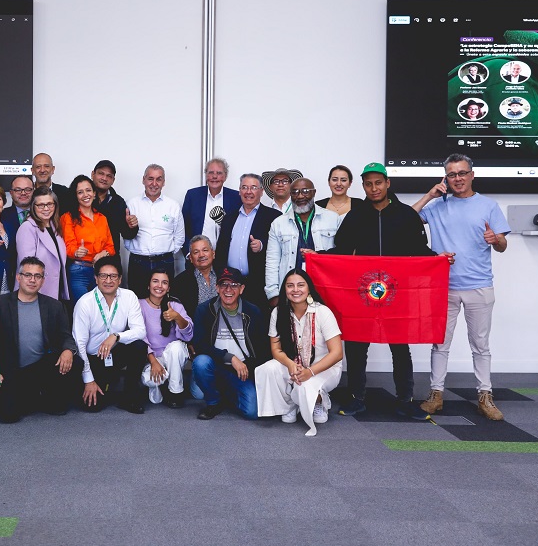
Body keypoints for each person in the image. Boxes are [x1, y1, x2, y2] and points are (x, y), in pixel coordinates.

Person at [329, 162, 446, 420]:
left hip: (397, 293)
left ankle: (405, 400)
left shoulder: (405, 214)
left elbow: (420, 250)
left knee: (400, 347)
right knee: (357, 346)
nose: (373, 188)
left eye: (378, 183)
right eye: (368, 184)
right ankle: (357, 398)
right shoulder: (356, 215)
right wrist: (317, 257)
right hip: (363, 292)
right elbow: (342, 250)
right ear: (363, 186)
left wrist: (439, 259)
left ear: (387, 183)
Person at [412, 154, 510, 421]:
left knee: (480, 344)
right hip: (444, 286)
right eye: (452, 175)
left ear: (472, 175)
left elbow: (502, 246)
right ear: (446, 178)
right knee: (440, 343)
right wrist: (430, 194)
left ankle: (485, 396)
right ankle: (436, 395)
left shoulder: (488, 205)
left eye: (462, 173)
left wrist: (496, 239)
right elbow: (407, 219)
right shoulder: (437, 206)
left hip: (479, 285)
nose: (458, 179)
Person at [254, 269, 343, 436]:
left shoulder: (322, 312)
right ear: (284, 290)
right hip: (296, 365)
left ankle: (320, 400)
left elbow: (337, 353)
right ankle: (290, 404)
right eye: (290, 286)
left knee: (307, 387)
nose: (295, 290)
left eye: (301, 285)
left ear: (309, 288)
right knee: (268, 369)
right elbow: (276, 350)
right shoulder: (278, 312)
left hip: (324, 368)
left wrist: (310, 372)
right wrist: (290, 365)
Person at [0, 257, 80, 423]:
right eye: (28, 275)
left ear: (43, 280)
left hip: (41, 367)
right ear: (19, 277)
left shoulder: (54, 306)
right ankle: (30, 396)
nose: (32, 280)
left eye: (38, 276)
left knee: (75, 363)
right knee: (8, 415)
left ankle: (45, 395)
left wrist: (68, 350)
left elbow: (65, 336)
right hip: (11, 370)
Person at [191, 267, 270, 420]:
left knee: (252, 412)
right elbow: (200, 344)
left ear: (241, 289)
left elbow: (263, 348)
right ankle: (213, 402)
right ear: (217, 288)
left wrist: (249, 368)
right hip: (214, 364)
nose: (228, 290)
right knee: (200, 364)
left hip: (243, 369)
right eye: (223, 285)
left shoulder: (253, 312)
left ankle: (225, 393)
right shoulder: (204, 310)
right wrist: (230, 358)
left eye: (234, 285)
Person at [72, 256, 148, 413]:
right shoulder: (85, 303)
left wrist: (116, 336)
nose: (108, 280)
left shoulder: (129, 296)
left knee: (139, 346)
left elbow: (140, 331)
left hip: (115, 353)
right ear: (96, 278)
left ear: (120, 279)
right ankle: (102, 383)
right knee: (92, 407)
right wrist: (89, 380)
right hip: (93, 359)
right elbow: (79, 344)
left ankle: (129, 397)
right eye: (103, 276)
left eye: (113, 276)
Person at [264, 177, 338, 304]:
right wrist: (273, 294)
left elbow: (340, 255)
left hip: (324, 289)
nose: (300, 196)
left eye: (305, 191)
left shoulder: (332, 219)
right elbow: (272, 261)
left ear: (314, 193)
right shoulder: (278, 223)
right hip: (291, 291)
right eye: (295, 192)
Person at [215, 173, 280, 311]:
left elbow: (280, 247)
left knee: (256, 325)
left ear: (261, 191)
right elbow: (221, 250)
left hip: (257, 283)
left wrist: (262, 245)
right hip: (230, 284)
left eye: (253, 187)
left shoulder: (273, 217)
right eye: (244, 187)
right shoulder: (229, 217)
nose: (248, 192)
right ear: (239, 191)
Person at [124, 164, 185, 298]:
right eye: (150, 178)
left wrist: (164, 253)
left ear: (164, 182)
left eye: (159, 179)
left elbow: (179, 237)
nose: (154, 183)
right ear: (143, 180)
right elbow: (126, 235)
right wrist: (137, 251)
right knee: (136, 301)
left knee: (163, 302)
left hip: (164, 262)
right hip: (138, 262)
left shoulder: (173, 206)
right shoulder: (131, 204)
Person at [171, 234, 218, 401]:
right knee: (199, 395)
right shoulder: (180, 282)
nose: (201, 255)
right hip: (198, 341)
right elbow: (178, 319)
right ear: (190, 258)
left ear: (213, 253)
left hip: (225, 337)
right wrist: (189, 342)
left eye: (205, 250)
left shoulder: (225, 276)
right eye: (196, 252)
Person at [139, 269, 193, 408]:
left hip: (173, 357)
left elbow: (188, 335)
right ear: (148, 285)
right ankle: (162, 383)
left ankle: (175, 393)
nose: (159, 286)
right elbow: (140, 337)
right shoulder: (139, 305)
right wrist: (153, 362)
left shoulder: (174, 305)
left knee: (176, 347)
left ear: (168, 288)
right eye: (155, 281)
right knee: (149, 379)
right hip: (151, 357)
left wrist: (177, 317)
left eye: (164, 283)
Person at [60, 175, 115, 303]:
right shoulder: (68, 217)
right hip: (79, 271)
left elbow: (111, 247)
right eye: (80, 192)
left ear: (94, 193)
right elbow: (67, 247)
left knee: (99, 310)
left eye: (88, 190)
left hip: (100, 271)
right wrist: (75, 252)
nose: (85, 195)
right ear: (76, 196)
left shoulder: (102, 218)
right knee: (82, 310)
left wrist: (104, 253)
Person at [15, 187, 69, 301]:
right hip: (35, 292)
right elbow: (27, 267)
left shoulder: (55, 227)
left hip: (55, 290)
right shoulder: (27, 228)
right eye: (40, 205)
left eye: (50, 204)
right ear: (33, 207)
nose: (46, 208)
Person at [181, 157, 240, 249]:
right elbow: (182, 228)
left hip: (225, 258)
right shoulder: (192, 195)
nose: (214, 176)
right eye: (211, 172)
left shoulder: (236, 197)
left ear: (225, 176)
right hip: (197, 257)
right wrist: (189, 253)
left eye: (219, 173)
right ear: (206, 175)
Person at [90, 160, 137, 257]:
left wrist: (131, 226)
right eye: (101, 173)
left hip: (110, 260)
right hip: (84, 260)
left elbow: (127, 235)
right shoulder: (82, 198)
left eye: (109, 176)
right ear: (92, 174)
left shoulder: (118, 202)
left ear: (113, 180)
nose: (104, 178)